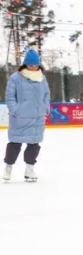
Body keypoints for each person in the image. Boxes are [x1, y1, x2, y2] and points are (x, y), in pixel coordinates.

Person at [3, 49, 51, 183]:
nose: (33, 67)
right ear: (25, 64)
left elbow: (47, 94)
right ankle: (8, 167)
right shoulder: (16, 77)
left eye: (35, 65)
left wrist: (45, 107)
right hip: (20, 116)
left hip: (37, 116)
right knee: (14, 144)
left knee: (34, 144)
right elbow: (10, 96)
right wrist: (15, 110)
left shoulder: (42, 78)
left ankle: (29, 169)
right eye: (30, 65)